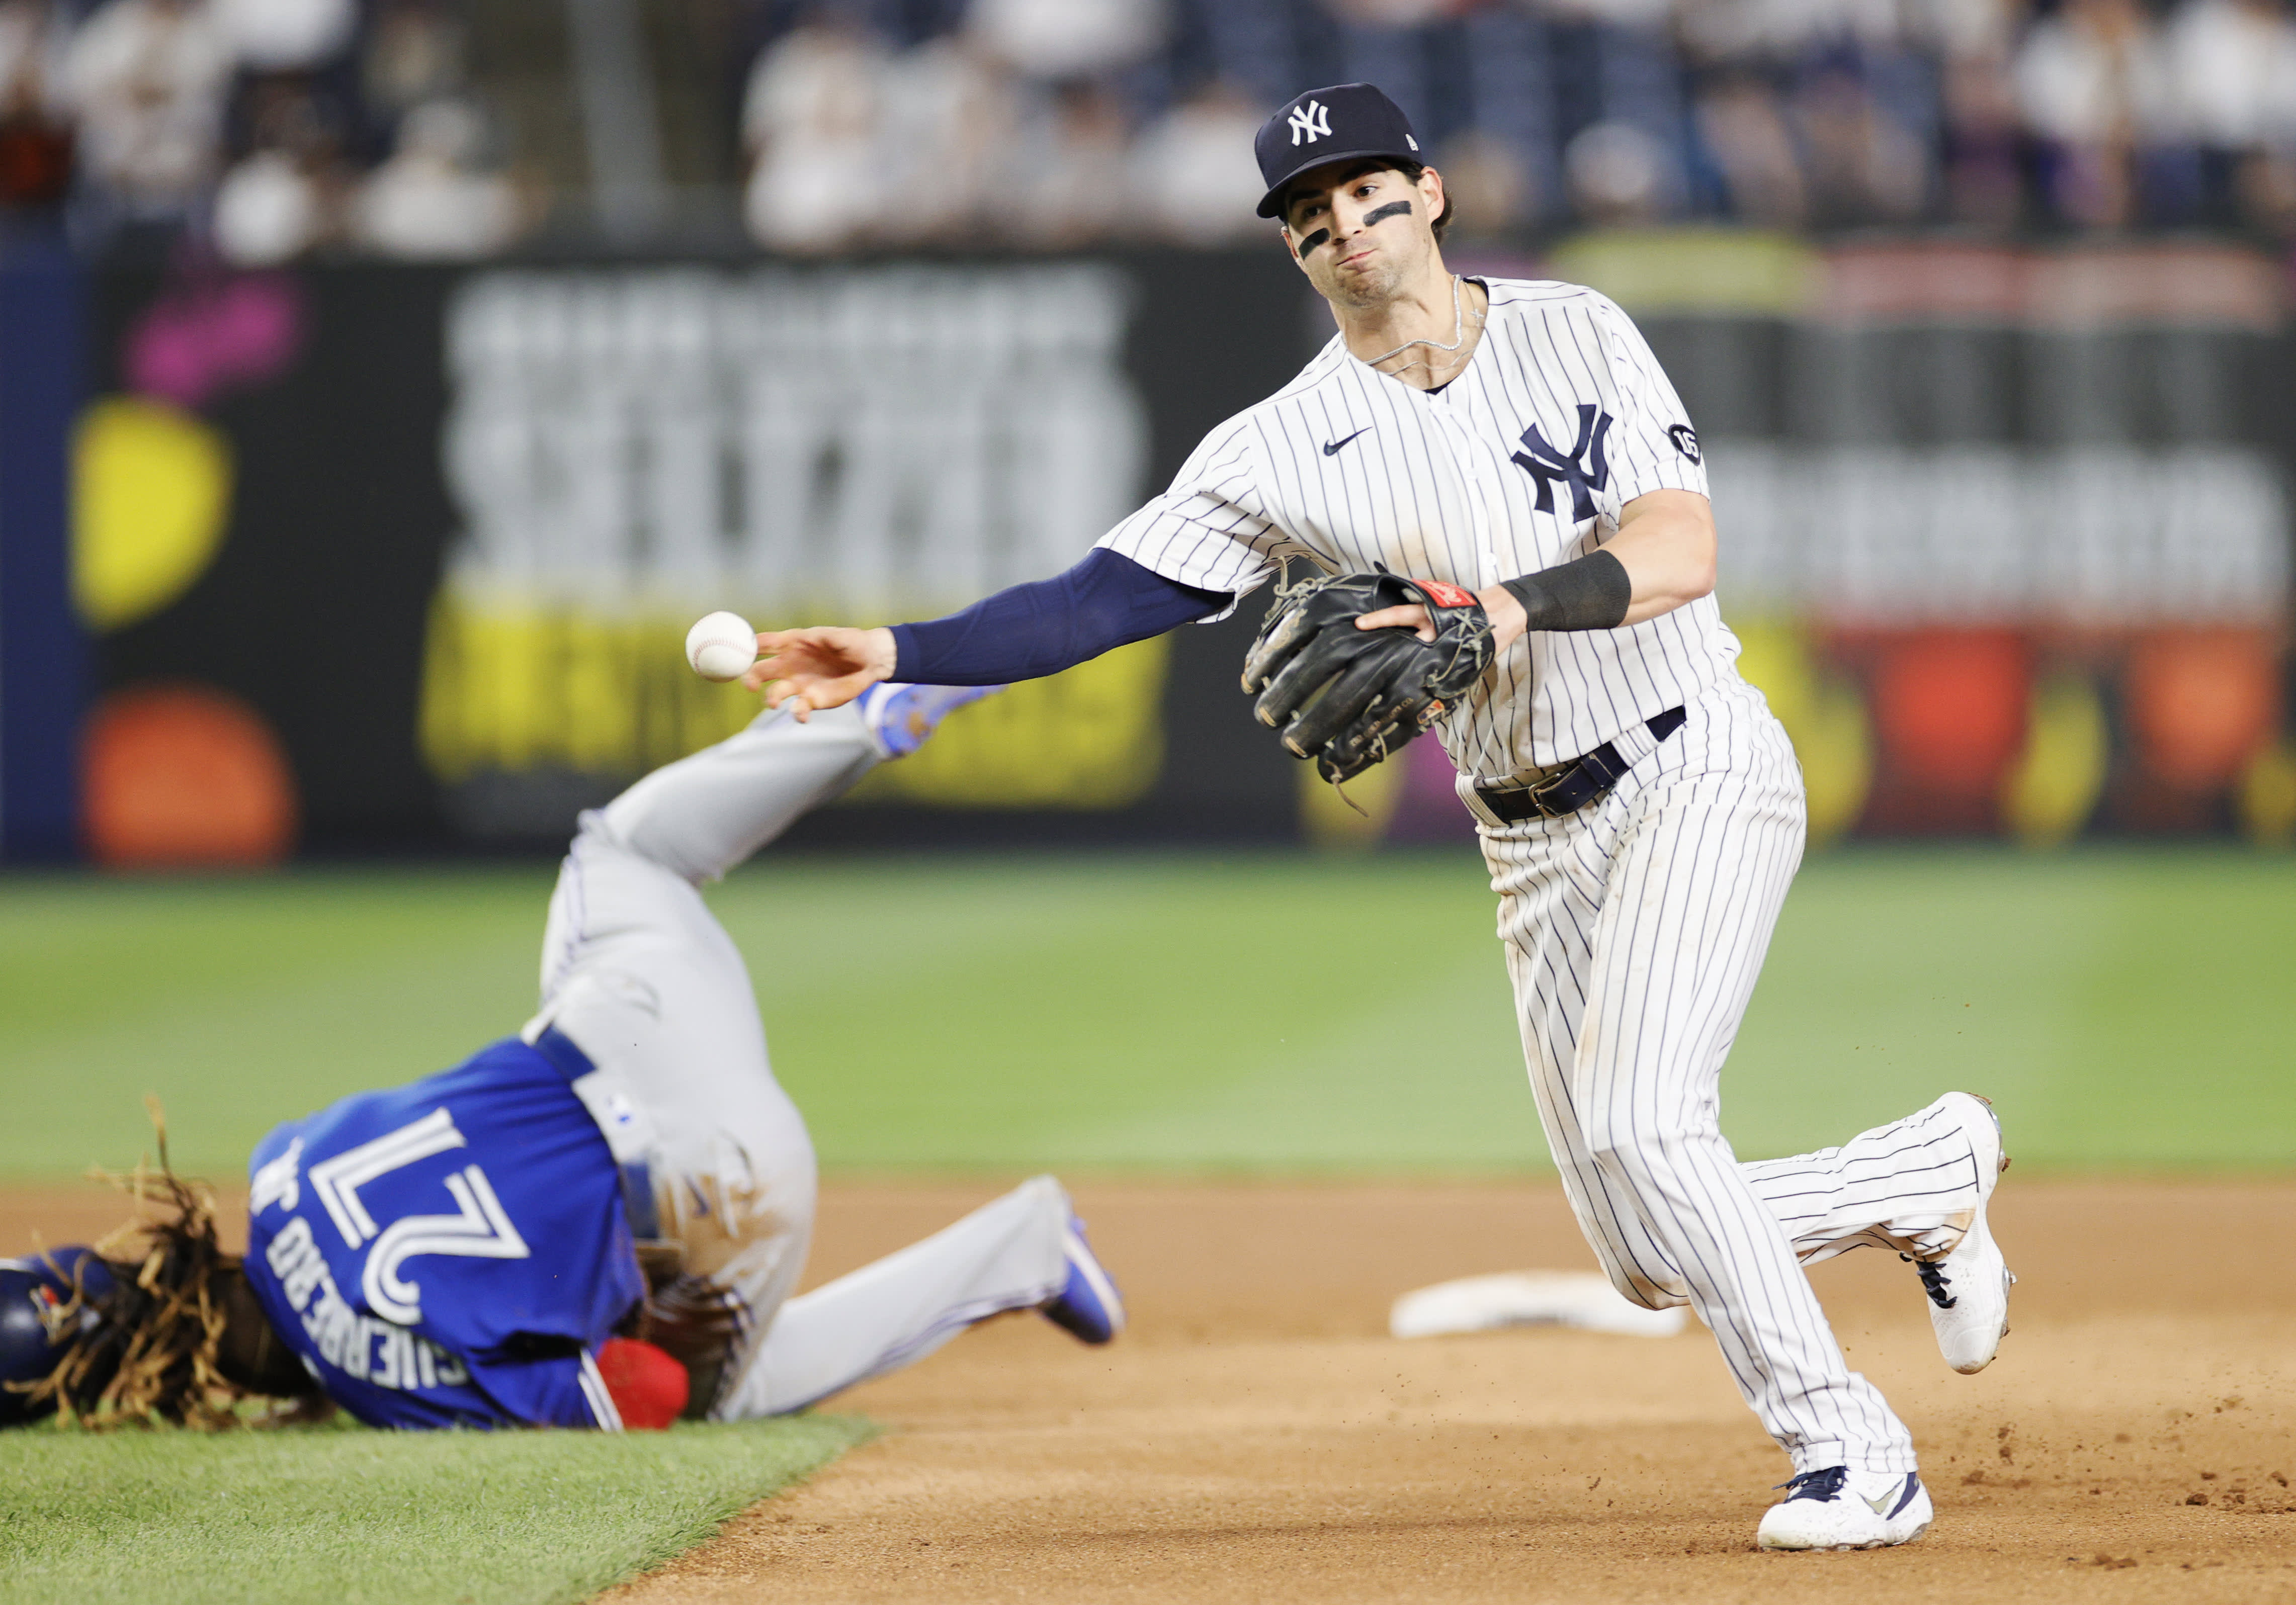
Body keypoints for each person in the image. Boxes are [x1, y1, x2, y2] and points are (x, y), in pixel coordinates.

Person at [741, 82, 2015, 1552]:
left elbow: (1676, 547)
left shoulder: (1573, 328)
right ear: (1292, 249)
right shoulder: (1276, 446)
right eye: (1308, 214)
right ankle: (1920, 1176)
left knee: (1643, 1122)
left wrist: (1499, 613)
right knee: (1644, 1260)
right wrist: (897, 651)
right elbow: (1095, 598)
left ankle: (1849, 1452)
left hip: (1690, 758)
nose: (1344, 226)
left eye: (1364, 192)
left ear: (1429, 190)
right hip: (1526, 836)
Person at [2, 683, 1125, 1432]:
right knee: (623, 849)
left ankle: (1022, 1248)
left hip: (727, 1188)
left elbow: (637, 1387)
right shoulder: (284, 1165)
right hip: (636, 1022)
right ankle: (872, 709)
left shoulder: (385, 1386)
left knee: (713, 1401)